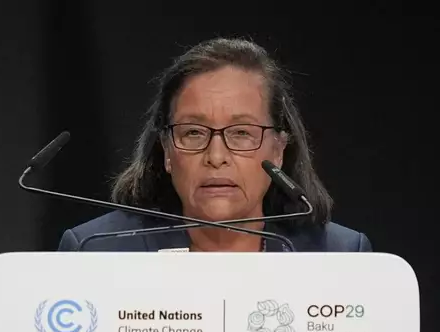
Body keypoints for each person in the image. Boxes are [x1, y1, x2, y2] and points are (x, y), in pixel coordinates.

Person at [58, 37, 372, 252]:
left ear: (277, 149)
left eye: (241, 133)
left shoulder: (338, 255)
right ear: (167, 150)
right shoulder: (97, 250)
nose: (216, 156)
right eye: (193, 132)